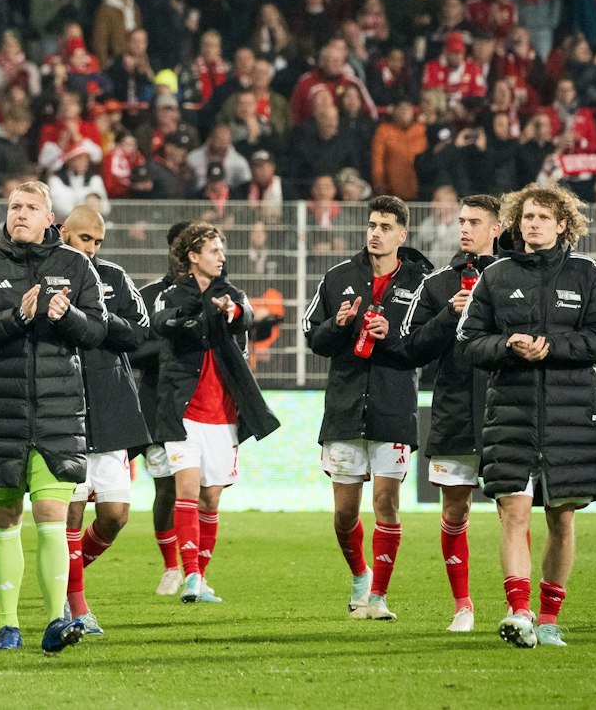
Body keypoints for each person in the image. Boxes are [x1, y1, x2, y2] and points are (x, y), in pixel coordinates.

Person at [456, 184, 596, 649]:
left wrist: (551, 347)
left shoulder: (588, 273)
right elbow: (468, 342)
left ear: (563, 223)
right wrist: (507, 345)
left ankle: (548, 618)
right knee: (513, 512)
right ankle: (519, 611)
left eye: (544, 217)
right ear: (517, 222)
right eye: (527, 216)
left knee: (562, 519)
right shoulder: (497, 275)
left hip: (571, 413)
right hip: (511, 412)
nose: (534, 224)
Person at [0, 180, 108, 654]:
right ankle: (8, 624)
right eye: (14, 207)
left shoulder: (76, 265)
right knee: (4, 519)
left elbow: (98, 330)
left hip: (57, 413)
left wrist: (68, 318)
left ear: (51, 219)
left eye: (31, 208)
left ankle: (55, 619)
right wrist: (17, 318)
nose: (20, 214)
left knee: (51, 516)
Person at [306, 194, 435, 621]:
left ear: (402, 233)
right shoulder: (339, 276)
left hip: (393, 406)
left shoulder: (422, 282)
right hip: (344, 405)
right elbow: (313, 338)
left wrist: (392, 334)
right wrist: (337, 324)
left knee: (386, 501)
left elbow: (427, 347)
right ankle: (360, 574)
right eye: (371, 225)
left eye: (385, 227)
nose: (375, 234)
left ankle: (378, 596)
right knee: (344, 513)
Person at [150, 222, 282, 607]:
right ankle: (190, 574)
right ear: (193, 257)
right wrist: (193, 312)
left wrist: (232, 310)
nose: (222, 256)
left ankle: (201, 577)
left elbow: (246, 316)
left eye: (222, 250)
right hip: (182, 410)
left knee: (211, 499)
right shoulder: (171, 293)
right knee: (187, 490)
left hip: (223, 413)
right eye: (213, 250)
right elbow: (161, 323)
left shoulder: (231, 294)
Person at [397, 193, 503, 633]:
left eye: (475, 222)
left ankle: (519, 602)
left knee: (512, 511)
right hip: (455, 409)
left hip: (504, 410)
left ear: (496, 228)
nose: (465, 228)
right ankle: (463, 606)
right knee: (455, 509)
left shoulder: (517, 278)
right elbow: (411, 346)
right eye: (462, 221)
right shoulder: (439, 283)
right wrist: (448, 314)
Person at [59, 204, 153, 635]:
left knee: (115, 515)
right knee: (71, 514)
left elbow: (138, 333)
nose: (92, 249)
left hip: (110, 406)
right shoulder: (49, 276)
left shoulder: (114, 278)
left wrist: (98, 319)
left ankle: (63, 576)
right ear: (64, 233)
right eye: (85, 239)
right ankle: (75, 604)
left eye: (98, 241)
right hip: (65, 408)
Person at [137, 221, 195, 595]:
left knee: (203, 491)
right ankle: (171, 566)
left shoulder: (217, 296)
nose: (182, 256)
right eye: (178, 247)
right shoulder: (148, 295)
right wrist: (172, 343)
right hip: (159, 405)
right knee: (167, 489)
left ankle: (196, 568)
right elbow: (132, 349)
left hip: (203, 408)